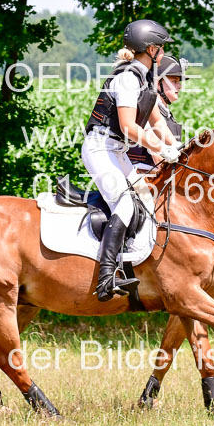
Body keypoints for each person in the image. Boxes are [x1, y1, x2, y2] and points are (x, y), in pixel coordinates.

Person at [82, 20, 182, 301]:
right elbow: (128, 127)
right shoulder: (126, 78)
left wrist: (179, 148)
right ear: (151, 50)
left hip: (116, 151)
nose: (162, 54)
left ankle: (129, 264)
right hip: (100, 148)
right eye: (161, 49)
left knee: (145, 199)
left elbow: (157, 122)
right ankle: (106, 277)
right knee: (126, 202)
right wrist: (161, 151)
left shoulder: (143, 79)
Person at [127, 53, 186, 173]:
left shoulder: (165, 113)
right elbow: (158, 159)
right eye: (174, 81)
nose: (179, 86)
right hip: (143, 175)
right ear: (158, 84)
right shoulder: (147, 111)